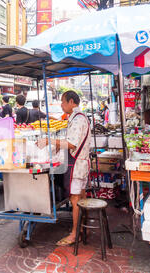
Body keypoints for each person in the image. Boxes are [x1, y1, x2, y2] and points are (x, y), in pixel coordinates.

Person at [36, 90, 91, 246]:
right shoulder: (76, 118)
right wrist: (57, 146)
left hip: (77, 165)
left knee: (75, 199)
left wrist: (50, 142)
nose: (61, 105)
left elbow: (72, 144)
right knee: (80, 196)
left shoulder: (78, 119)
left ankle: (74, 234)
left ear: (72, 102)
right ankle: (82, 228)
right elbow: (71, 141)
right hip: (80, 164)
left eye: (63, 102)